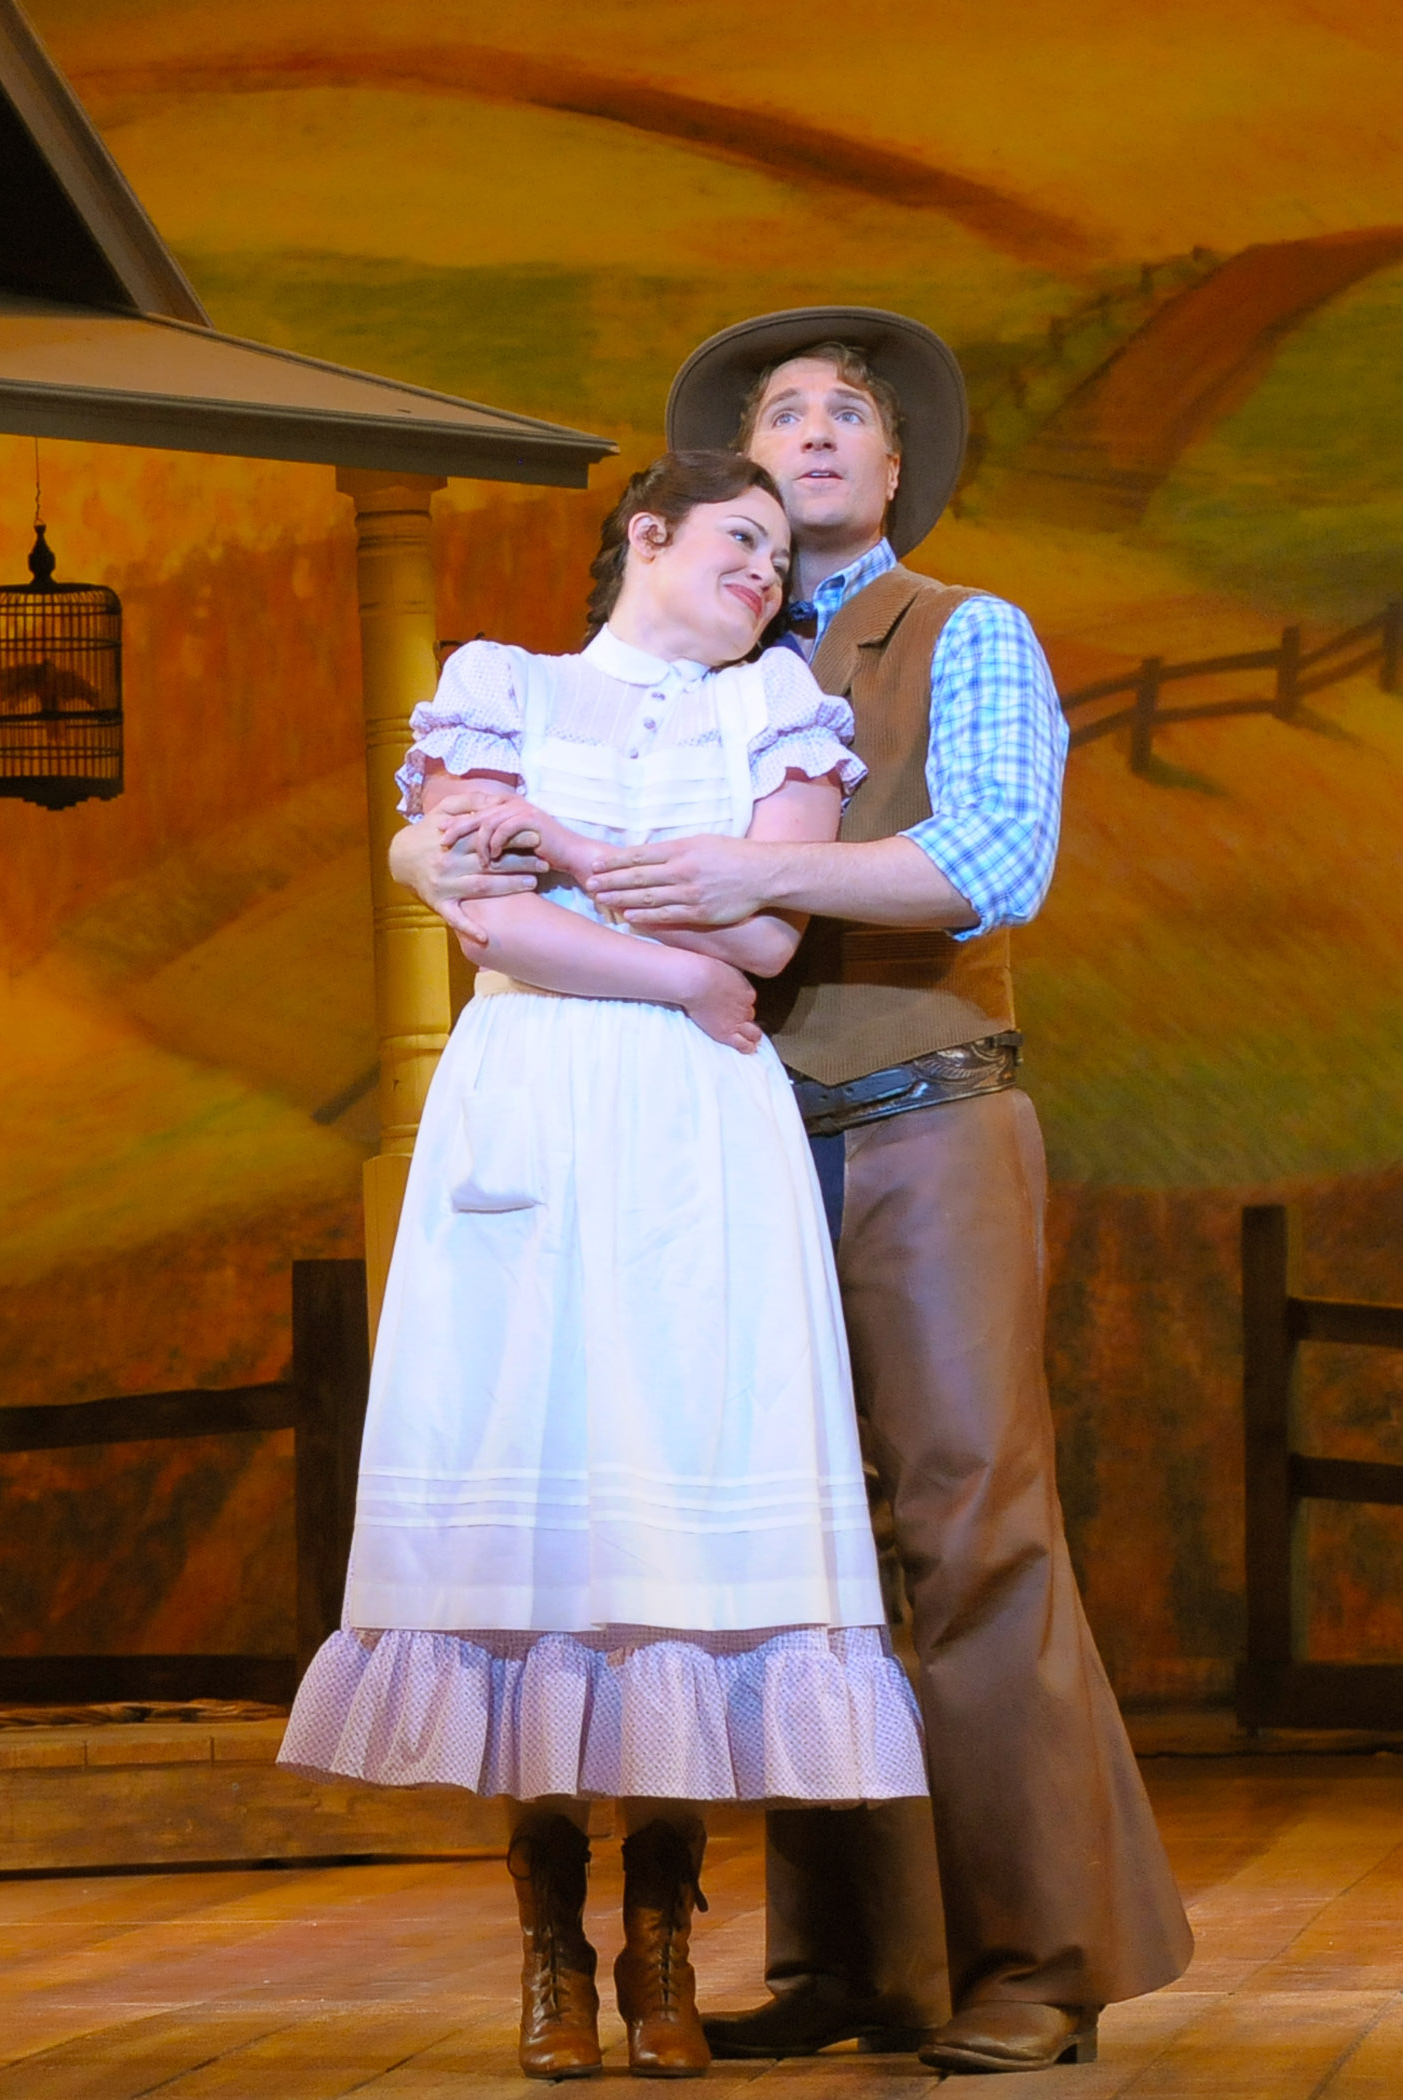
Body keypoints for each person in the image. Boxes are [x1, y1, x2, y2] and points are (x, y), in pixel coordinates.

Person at [394, 311, 1194, 2076]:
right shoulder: (707, 658)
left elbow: (992, 859)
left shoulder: (958, 630)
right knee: (803, 1550)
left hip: (914, 1120)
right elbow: (463, 831)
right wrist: (452, 848)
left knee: (970, 1529)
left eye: (852, 414)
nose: (819, 433)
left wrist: (714, 877)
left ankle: (1041, 1957)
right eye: (784, 415)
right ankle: (863, 1962)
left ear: (895, 468)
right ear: (726, 481)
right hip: (717, 1148)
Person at [280, 448, 927, 2083]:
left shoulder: (774, 708)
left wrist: (574, 856)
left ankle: (662, 1943)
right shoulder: (501, 686)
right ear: (647, 532)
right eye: (739, 538)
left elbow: (763, 938)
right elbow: (489, 925)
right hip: (543, 1099)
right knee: (548, 1520)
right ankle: (550, 1952)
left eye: (780, 557)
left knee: (674, 1519)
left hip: (698, 1132)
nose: (765, 572)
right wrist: (674, 972)